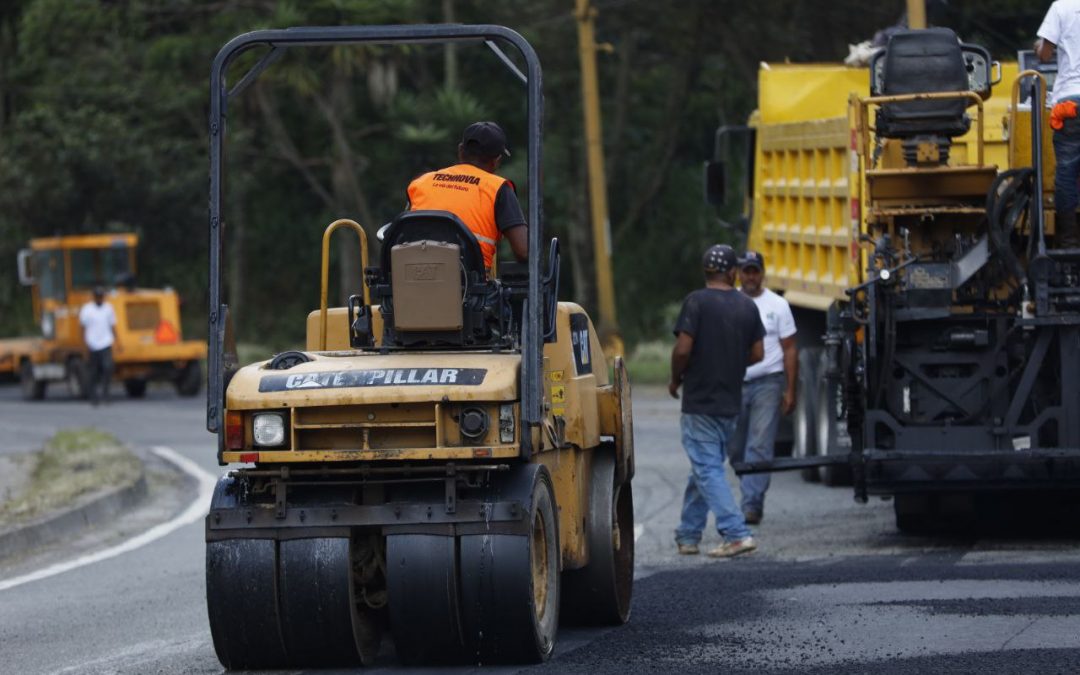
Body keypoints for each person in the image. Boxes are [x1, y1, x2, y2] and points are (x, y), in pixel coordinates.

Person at [670, 244, 765, 558]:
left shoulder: (696, 302)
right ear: (732, 272)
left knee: (707, 468)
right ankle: (688, 534)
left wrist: (675, 378)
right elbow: (758, 354)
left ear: (707, 272)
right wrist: (731, 363)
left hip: (700, 402)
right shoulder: (747, 306)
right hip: (730, 402)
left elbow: (683, 349)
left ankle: (736, 533)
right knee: (704, 467)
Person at [729, 251, 797, 525]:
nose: (750, 277)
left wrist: (790, 389)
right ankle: (747, 491)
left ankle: (751, 505)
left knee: (759, 444)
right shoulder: (727, 302)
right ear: (737, 273)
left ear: (763, 274)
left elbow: (790, 349)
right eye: (746, 271)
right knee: (735, 447)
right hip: (734, 382)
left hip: (768, 381)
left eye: (755, 271)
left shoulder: (778, 305)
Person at [406, 121, 528, 269]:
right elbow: (524, 252)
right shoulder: (498, 188)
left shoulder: (421, 182)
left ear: (460, 150)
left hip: (412, 278)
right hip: (469, 287)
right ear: (496, 161)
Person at [1038, 1, 1080, 248]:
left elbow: (1045, 54)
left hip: (1070, 105)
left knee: (1066, 170)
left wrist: (1039, 47)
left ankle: (1069, 240)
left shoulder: (1062, 7)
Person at [79, 286, 119, 405]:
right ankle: (94, 397)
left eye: (101, 296)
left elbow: (112, 325)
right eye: (97, 296)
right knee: (93, 372)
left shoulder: (108, 308)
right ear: (94, 297)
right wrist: (83, 344)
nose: (99, 298)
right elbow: (82, 327)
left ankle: (106, 394)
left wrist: (117, 341)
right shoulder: (87, 309)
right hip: (92, 344)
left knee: (107, 368)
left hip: (106, 343)